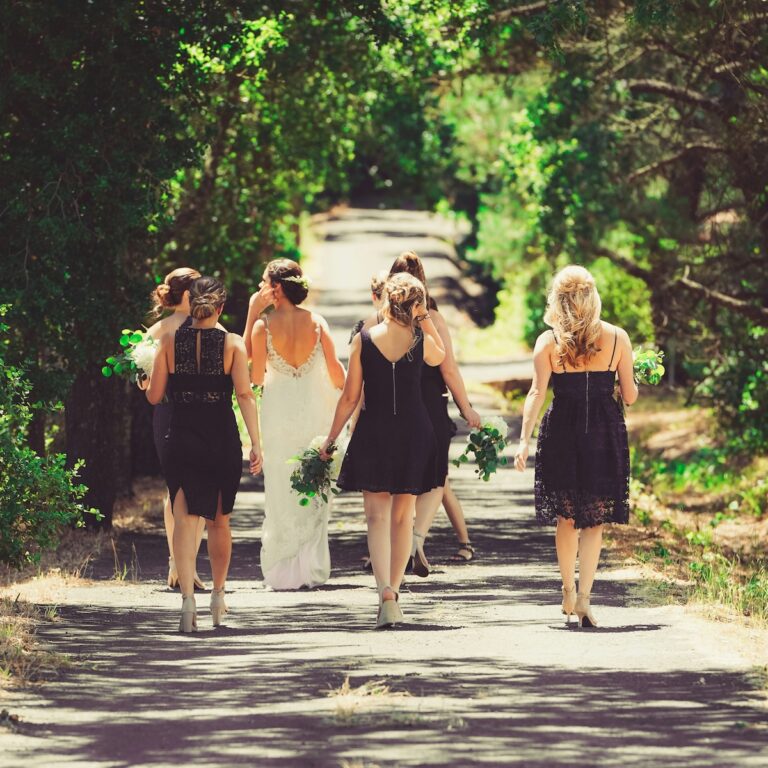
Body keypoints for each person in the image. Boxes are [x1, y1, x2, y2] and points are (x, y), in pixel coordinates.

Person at [513, 265, 637, 628]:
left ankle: (567, 589)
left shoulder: (547, 342)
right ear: (592, 298)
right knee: (593, 520)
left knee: (566, 517)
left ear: (559, 300)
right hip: (603, 433)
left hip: (562, 433)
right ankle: (584, 598)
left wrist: (523, 441)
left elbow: (537, 393)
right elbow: (629, 395)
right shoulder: (618, 338)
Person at [321, 273, 446, 628]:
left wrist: (331, 439)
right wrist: (423, 319)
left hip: (374, 431)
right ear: (416, 304)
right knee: (402, 516)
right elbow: (440, 358)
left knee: (375, 518)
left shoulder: (362, 339)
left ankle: (384, 593)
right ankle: (395, 593)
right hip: (413, 430)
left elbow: (350, 396)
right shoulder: (420, 337)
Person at [147, 277, 263, 632]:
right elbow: (244, 395)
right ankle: (218, 595)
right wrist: (256, 444)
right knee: (219, 521)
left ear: (190, 303)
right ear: (221, 307)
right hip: (220, 438)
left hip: (180, 435)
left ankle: (186, 602)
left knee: (183, 519)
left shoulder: (167, 340)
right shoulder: (232, 344)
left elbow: (154, 397)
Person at [248, 259, 345, 590]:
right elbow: (336, 372)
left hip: (278, 414)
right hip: (313, 411)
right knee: (314, 482)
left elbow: (255, 375)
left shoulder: (262, 326)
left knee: (280, 488)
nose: (259, 288)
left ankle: (284, 571)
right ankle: (310, 567)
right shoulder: (317, 322)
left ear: (275, 288)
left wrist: (251, 314)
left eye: (263, 282)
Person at [387, 252, 482, 574]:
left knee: (397, 478)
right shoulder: (434, 321)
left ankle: (391, 543)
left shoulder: (378, 323)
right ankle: (414, 538)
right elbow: (450, 370)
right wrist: (466, 407)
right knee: (436, 478)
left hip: (393, 406)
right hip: (430, 405)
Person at [143, 267, 206, 591]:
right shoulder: (164, 330)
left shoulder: (159, 330)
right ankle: (179, 564)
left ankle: (184, 565)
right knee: (183, 488)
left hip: (187, 412)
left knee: (183, 489)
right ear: (186, 294)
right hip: (173, 411)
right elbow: (141, 374)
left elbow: (142, 381)